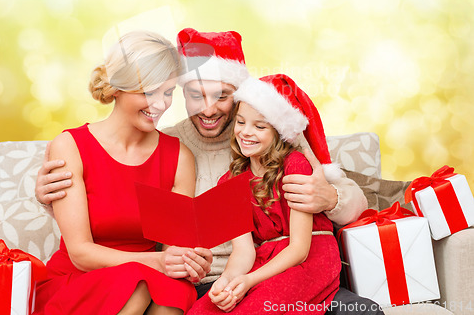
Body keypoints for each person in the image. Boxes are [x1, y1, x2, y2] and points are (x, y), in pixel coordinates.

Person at [36, 28, 382, 314]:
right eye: (193, 95)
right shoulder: (172, 144)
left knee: (360, 312)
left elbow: (354, 201)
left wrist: (331, 197)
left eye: (222, 96)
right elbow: (143, 223)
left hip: (284, 270)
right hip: (212, 282)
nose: (208, 109)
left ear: (240, 94)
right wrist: (50, 197)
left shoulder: (275, 134)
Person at [34, 31, 212, 315]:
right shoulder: (70, 147)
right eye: (148, 92)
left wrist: (187, 260)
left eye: (167, 93)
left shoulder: (179, 157)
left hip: (147, 276)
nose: (160, 104)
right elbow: (81, 254)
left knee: (175, 291)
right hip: (80, 281)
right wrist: (159, 263)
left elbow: (173, 247)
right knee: (137, 283)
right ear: (117, 87)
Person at [189, 74, 341, 314]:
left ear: (278, 132)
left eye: (259, 126)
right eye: (240, 122)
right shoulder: (228, 182)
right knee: (203, 310)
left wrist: (250, 281)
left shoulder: (295, 165)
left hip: (309, 259)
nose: (246, 133)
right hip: (264, 259)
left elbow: (300, 250)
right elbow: (243, 251)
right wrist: (226, 281)